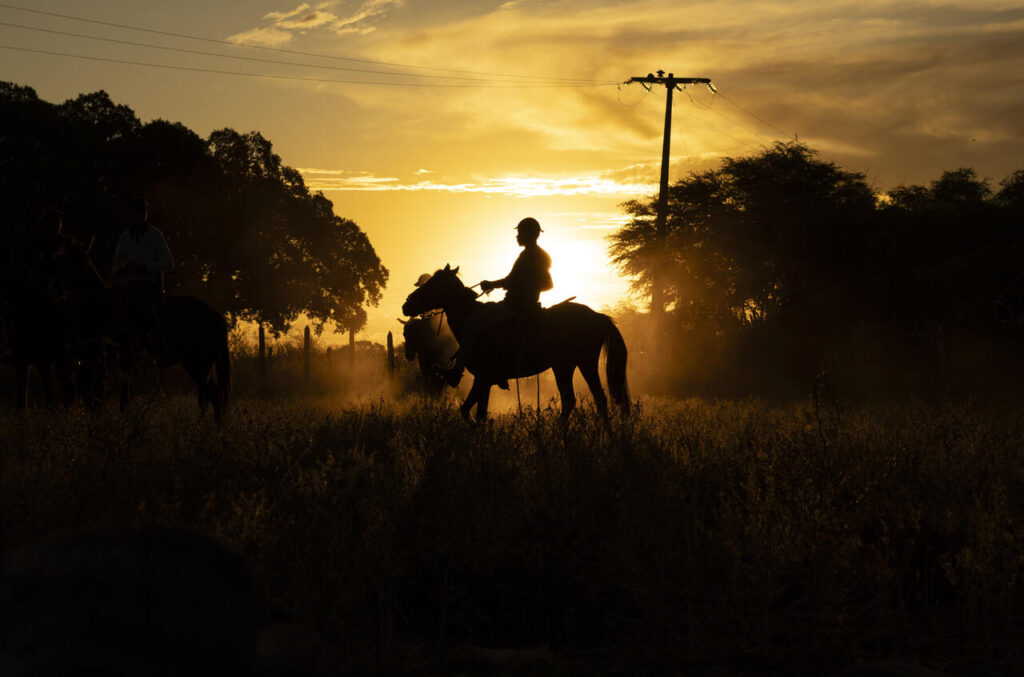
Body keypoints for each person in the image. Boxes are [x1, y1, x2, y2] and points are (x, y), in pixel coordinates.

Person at [444, 217, 553, 387]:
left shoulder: (529, 256)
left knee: (472, 324)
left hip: (515, 306)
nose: (517, 236)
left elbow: (516, 281)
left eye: (520, 233)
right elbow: (544, 283)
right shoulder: (540, 256)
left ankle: (457, 372)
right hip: (524, 304)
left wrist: (491, 284)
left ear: (528, 234)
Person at [111, 196, 174, 361]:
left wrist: (145, 268)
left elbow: (168, 262)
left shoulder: (155, 235)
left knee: (148, 314)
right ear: (130, 215)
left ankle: (157, 351)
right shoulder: (124, 238)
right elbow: (115, 266)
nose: (139, 216)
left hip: (150, 286)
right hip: (129, 286)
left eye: (142, 212)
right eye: (136, 212)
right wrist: (123, 270)